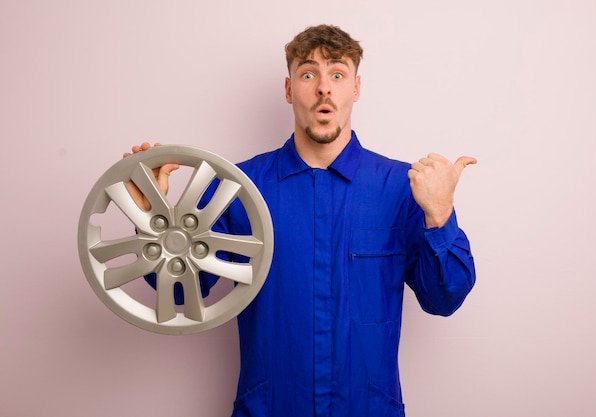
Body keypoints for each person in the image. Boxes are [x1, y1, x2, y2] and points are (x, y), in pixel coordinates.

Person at [125, 24, 476, 417]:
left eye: (337, 75)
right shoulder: (239, 189)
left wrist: (439, 213)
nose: (324, 88)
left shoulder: (400, 188)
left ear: (355, 89)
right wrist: (150, 219)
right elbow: (180, 292)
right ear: (290, 89)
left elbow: (445, 298)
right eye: (308, 74)